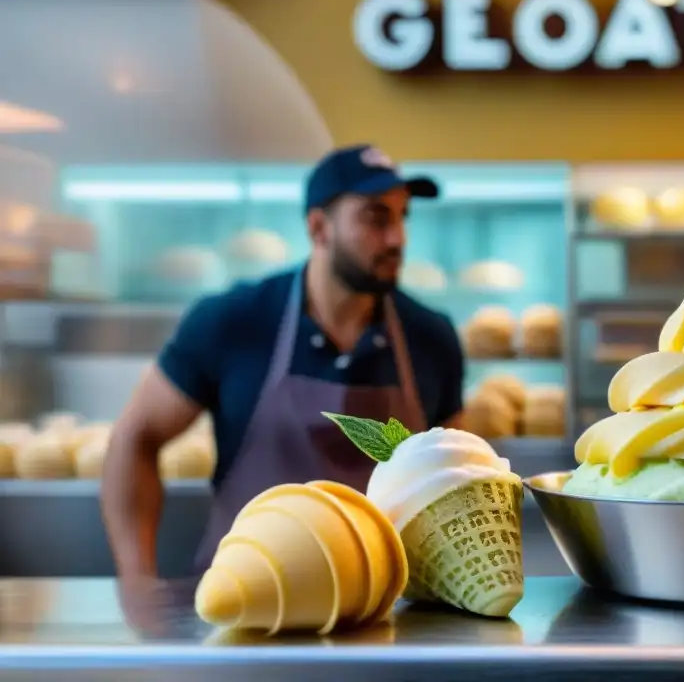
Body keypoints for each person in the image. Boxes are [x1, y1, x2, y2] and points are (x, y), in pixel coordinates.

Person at [101, 145, 465, 578]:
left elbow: (456, 476)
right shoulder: (233, 321)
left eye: (402, 217)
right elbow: (135, 437)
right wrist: (136, 577)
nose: (397, 239)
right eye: (375, 217)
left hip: (381, 602)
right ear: (318, 228)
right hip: (243, 599)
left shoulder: (430, 336)